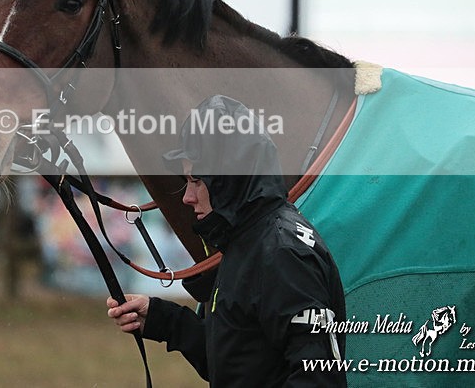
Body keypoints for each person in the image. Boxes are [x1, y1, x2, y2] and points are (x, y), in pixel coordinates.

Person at [106, 95, 347, 387]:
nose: (187, 197)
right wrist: (161, 319)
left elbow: (318, 380)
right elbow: (240, 361)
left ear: (228, 176)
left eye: (197, 181)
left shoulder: (282, 253)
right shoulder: (249, 241)